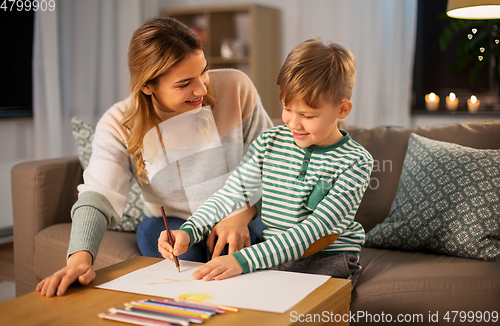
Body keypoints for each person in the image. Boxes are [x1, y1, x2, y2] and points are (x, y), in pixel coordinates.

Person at [36, 17, 273, 297]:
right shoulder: (117, 124)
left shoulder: (236, 88)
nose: (201, 89)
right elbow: (98, 195)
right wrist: (78, 259)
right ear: (147, 86)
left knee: (248, 251)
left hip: (240, 210)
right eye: (185, 83)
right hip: (175, 222)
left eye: (204, 72)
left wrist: (240, 214)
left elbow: (270, 162)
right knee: (153, 236)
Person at [159, 39, 373, 288]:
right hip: (271, 255)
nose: (293, 123)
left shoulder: (355, 163)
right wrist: (188, 231)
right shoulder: (268, 143)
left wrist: (242, 260)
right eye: (287, 108)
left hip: (327, 260)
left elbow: (315, 231)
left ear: (342, 110)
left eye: (307, 115)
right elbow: (231, 195)